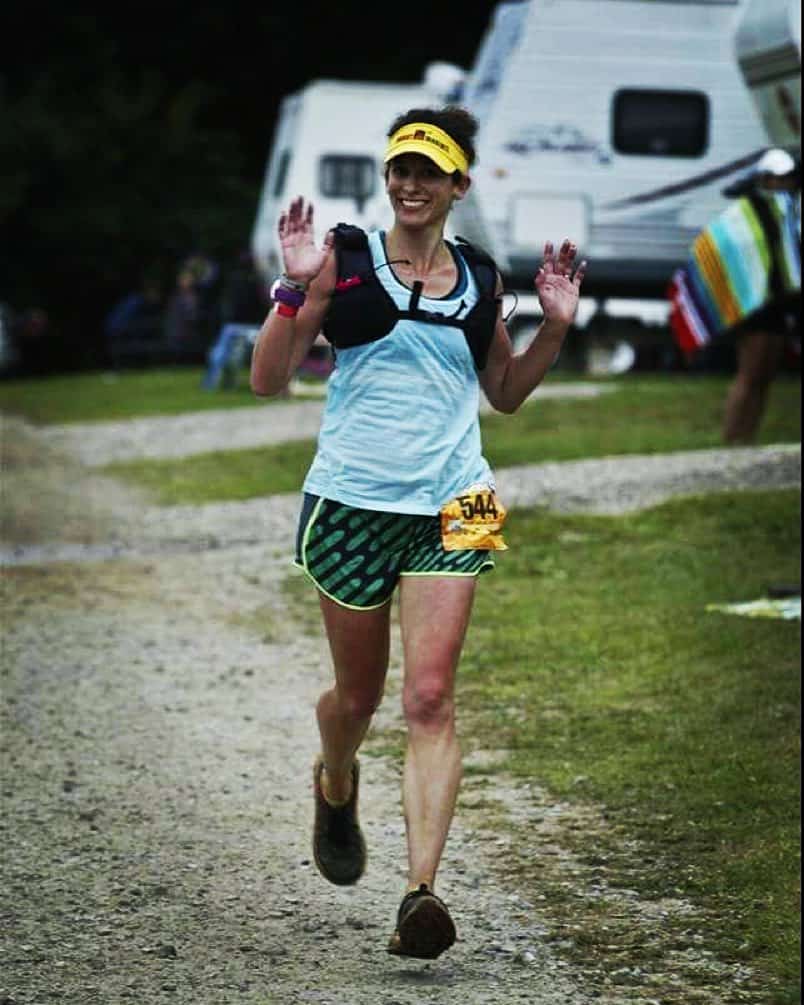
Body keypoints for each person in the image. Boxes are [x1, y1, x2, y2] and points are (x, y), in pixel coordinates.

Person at [250, 105, 585, 960]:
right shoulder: (346, 260)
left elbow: (504, 391)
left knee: (431, 697)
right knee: (356, 701)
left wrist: (554, 325)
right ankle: (335, 779)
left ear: (457, 185)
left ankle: (421, 893)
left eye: (427, 172)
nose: (408, 183)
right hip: (353, 500)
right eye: (400, 167)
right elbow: (267, 380)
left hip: (459, 502)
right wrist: (293, 291)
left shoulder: (479, 277)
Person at [669, 148, 801, 443]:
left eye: (790, 178)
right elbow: (718, 247)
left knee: (764, 376)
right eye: (780, 178)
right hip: (753, 307)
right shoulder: (747, 212)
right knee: (750, 374)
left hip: (777, 304)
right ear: (764, 179)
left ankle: (746, 438)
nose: (786, 184)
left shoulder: (789, 211)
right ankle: (733, 438)